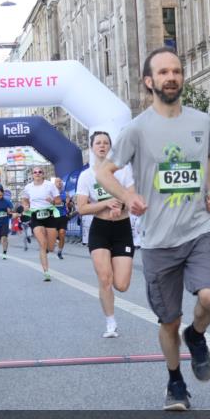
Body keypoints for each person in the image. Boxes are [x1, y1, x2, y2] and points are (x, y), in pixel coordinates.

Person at [96, 46, 210, 411]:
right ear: (149, 82)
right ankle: (175, 381)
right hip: (157, 240)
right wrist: (126, 195)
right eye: (164, 72)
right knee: (169, 321)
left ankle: (196, 337)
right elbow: (105, 172)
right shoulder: (136, 129)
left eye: (177, 71)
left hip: (199, 229)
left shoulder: (202, 121)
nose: (172, 77)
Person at [77, 131, 137, 338]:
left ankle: (112, 302)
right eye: (98, 143)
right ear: (92, 147)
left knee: (121, 285)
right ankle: (110, 323)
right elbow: (82, 208)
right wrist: (105, 203)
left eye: (105, 143)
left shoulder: (124, 171)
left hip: (122, 229)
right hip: (100, 230)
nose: (102, 146)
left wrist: (121, 204)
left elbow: (133, 198)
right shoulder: (86, 176)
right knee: (104, 279)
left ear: (110, 147)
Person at [21, 167, 62, 282]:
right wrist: (25, 206)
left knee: (50, 247)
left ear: (43, 174)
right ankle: (46, 272)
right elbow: (24, 200)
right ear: (32, 175)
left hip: (50, 215)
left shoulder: (50, 185)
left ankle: (49, 248)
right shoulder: (28, 187)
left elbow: (58, 201)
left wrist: (52, 201)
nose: (37, 174)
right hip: (36, 216)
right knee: (42, 243)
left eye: (40, 172)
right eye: (35, 172)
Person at [52, 177, 69, 260]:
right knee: (54, 234)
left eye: (60, 181)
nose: (59, 183)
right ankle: (55, 240)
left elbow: (69, 204)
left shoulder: (65, 193)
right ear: (54, 184)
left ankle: (59, 251)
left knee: (62, 233)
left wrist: (69, 204)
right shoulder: (51, 194)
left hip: (63, 216)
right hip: (53, 217)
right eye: (57, 182)